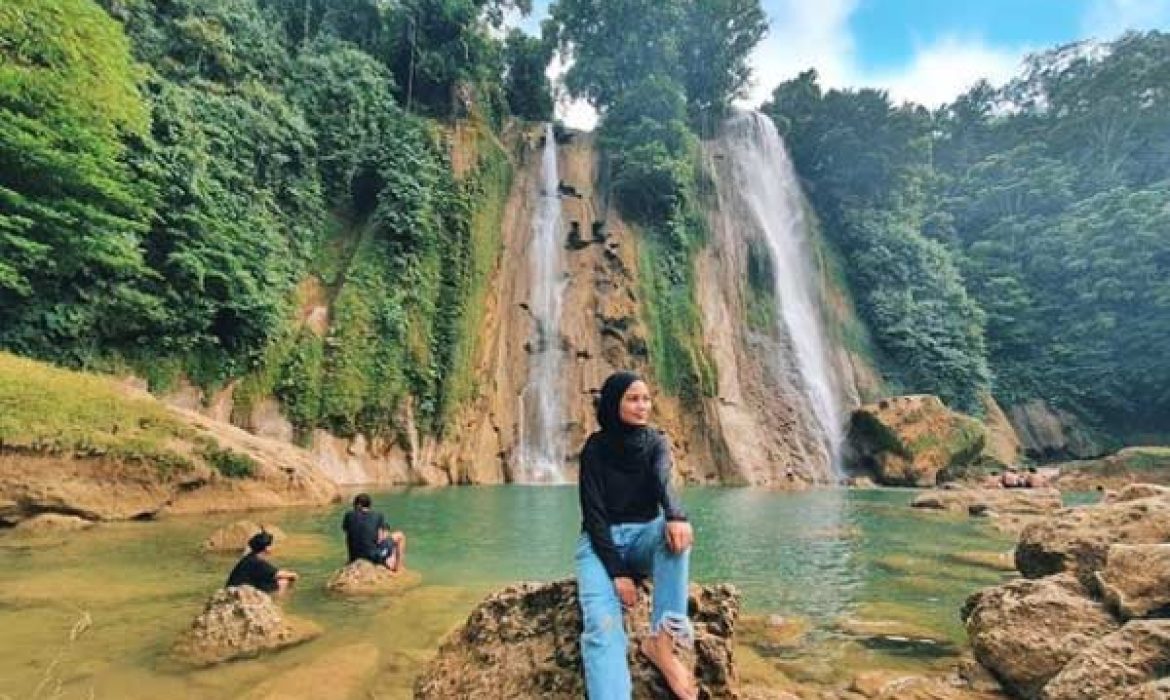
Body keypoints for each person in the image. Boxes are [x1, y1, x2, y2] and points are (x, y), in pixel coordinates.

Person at [576, 371, 697, 700]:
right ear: (614, 402)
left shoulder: (656, 442)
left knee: (676, 535)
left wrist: (675, 515)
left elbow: (662, 481)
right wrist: (617, 572)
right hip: (600, 546)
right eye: (632, 398)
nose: (642, 405)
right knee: (602, 628)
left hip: (644, 535)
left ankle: (662, 644)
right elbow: (594, 515)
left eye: (646, 398)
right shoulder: (595, 448)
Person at [342, 493, 407, 572]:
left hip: (353, 557)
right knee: (400, 535)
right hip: (373, 558)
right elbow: (381, 538)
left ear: (358, 505)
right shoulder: (377, 515)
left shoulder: (348, 515)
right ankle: (398, 569)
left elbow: (348, 531)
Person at [225, 531, 298, 597]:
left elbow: (272, 573)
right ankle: (279, 602)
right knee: (284, 581)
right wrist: (294, 575)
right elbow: (278, 574)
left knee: (273, 580)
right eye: (271, 545)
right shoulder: (258, 562)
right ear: (267, 548)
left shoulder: (250, 557)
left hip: (235, 588)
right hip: (238, 592)